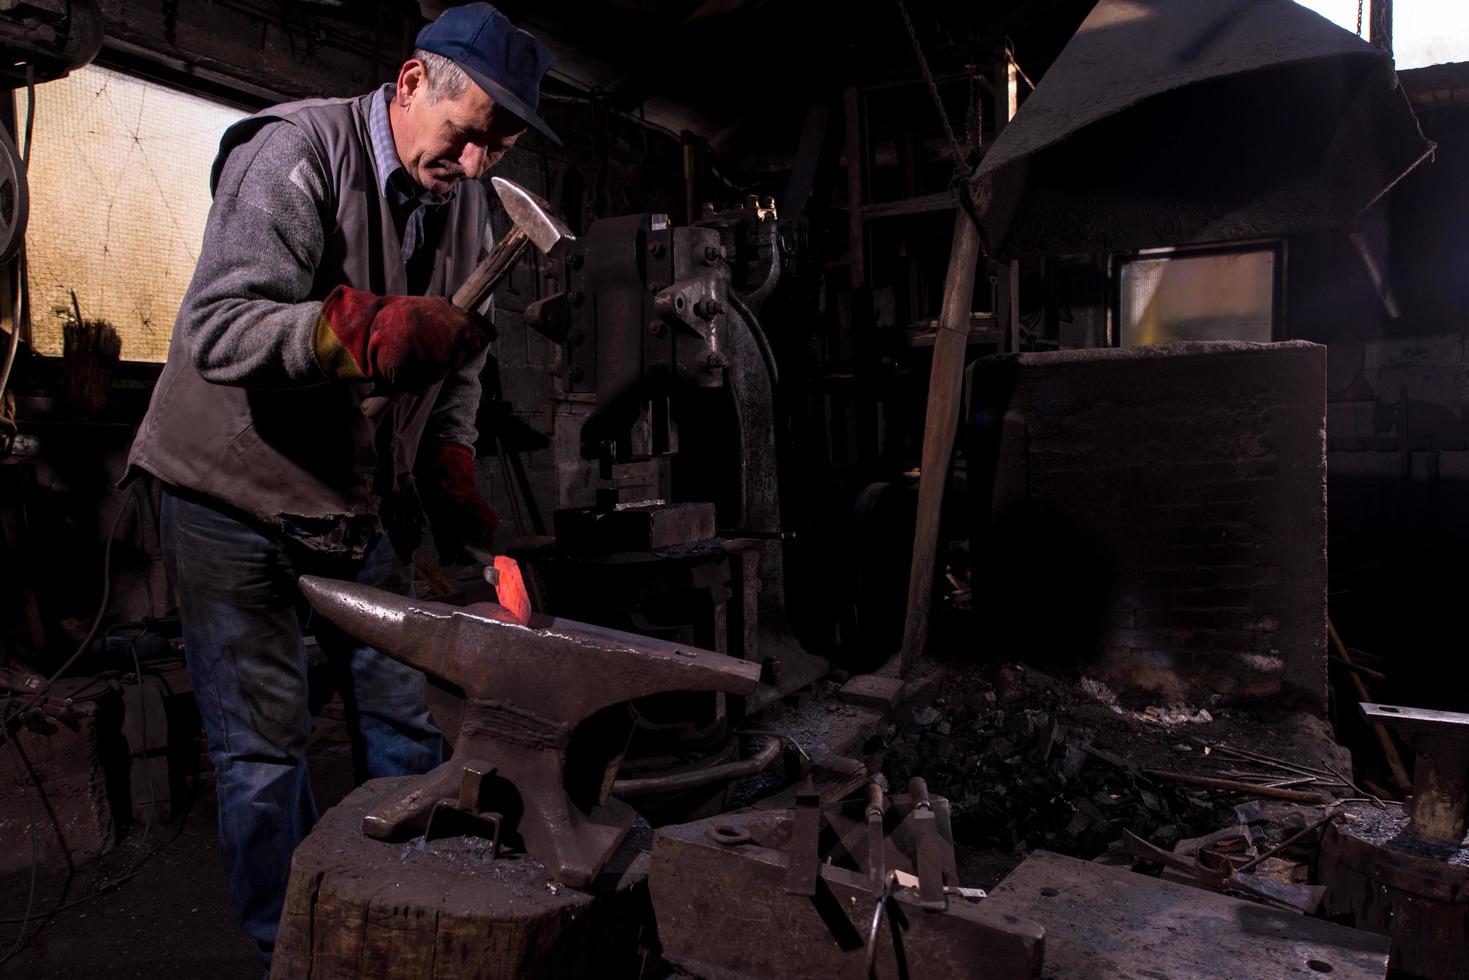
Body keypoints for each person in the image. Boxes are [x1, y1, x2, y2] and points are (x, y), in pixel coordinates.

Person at [124, 3, 558, 967]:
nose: (479, 163)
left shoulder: (469, 203)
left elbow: (460, 371)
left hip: (356, 499)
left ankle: (404, 921)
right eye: (467, 134)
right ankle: (295, 948)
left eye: (500, 144)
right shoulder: (292, 153)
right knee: (263, 750)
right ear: (411, 84)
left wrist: (449, 466)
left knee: (405, 717)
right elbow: (218, 329)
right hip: (228, 496)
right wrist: (355, 331)